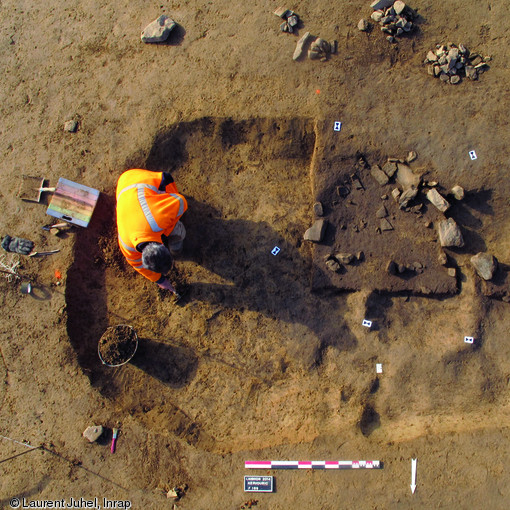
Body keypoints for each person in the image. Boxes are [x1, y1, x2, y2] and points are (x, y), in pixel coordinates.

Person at [116, 169, 187, 293]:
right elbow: (138, 265)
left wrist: (167, 230)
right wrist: (161, 281)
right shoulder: (127, 247)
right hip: (125, 186)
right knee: (171, 231)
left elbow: (180, 201)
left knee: (175, 230)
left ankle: (172, 232)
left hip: (143, 180)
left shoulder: (157, 219)